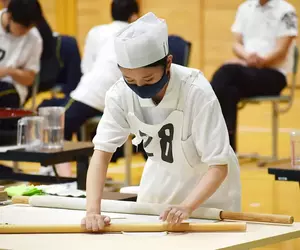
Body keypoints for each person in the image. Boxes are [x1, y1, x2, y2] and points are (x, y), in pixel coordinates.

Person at [81, 12, 241, 232]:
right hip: (160, 183)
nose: (139, 87)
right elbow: (101, 153)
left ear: (168, 63)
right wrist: (92, 212)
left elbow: (218, 166)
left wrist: (187, 206)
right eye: (130, 80)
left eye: (148, 80)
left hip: (209, 192)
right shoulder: (119, 94)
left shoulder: (196, 91)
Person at [210, 0, 298, 151]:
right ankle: (228, 151)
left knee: (227, 72)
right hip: (248, 72)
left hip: (274, 74)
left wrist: (253, 62)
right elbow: (236, 44)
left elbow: (282, 51)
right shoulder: (245, 8)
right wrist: (247, 58)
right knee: (229, 91)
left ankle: (213, 141)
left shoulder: (286, 10)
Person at [0, 0, 42, 108]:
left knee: (7, 94)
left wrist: (9, 71)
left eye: (30, 28)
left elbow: (29, 79)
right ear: (9, 17)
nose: (26, 32)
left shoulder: (35, 39)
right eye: (22, 28)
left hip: (12, 89)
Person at [81, 0, 139, 74]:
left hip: (89, 82)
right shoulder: (134, 34)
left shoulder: (95, 31)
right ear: (134, 16)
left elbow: (86, 67)